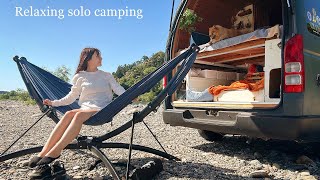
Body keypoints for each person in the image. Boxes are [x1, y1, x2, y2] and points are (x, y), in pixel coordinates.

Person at [28, 47, 126, 168]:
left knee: (78, 115)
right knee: (69, 114)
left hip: (103, 109)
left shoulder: (106, 75)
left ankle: (56, 151)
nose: (101, 58)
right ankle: (43, 153)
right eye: (98, 56)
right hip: (86, 108)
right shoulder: (80, 76)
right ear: (88, 59)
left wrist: (131, 96)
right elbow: (71, 97)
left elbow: (118, 89)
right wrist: (54, 103)